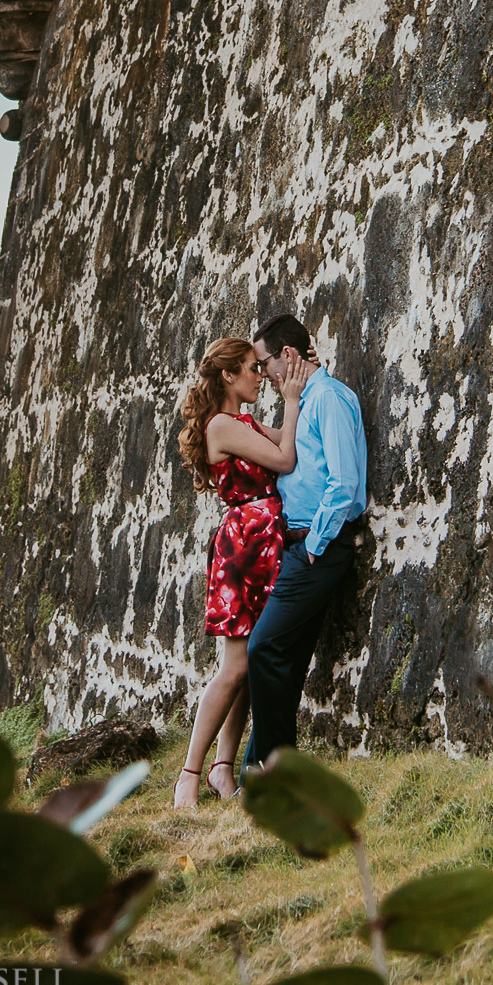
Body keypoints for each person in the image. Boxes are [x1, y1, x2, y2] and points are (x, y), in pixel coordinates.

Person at [173, 335, 312, 808]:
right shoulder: (220, 427)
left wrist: (302, 388)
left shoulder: (242, 422)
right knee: (233, 668)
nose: (260, 376)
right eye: (253, 368)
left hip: (261, 545)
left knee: (250, 665)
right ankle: (188, 775)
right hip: (242, 552)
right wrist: (291, 400)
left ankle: (222, 770)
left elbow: (295, 436)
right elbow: (285, 458)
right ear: (228, 375)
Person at [242, 313, 368, 772]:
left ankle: (272, 768)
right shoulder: (303, 400)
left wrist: (314, 544)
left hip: (318, 548)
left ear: (289, 355)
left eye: (265, 363)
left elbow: (344, 483)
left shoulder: (330, 399)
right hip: (297, 546)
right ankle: (258, 770)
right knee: (287, 660)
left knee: (263, 649)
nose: (263, 374)